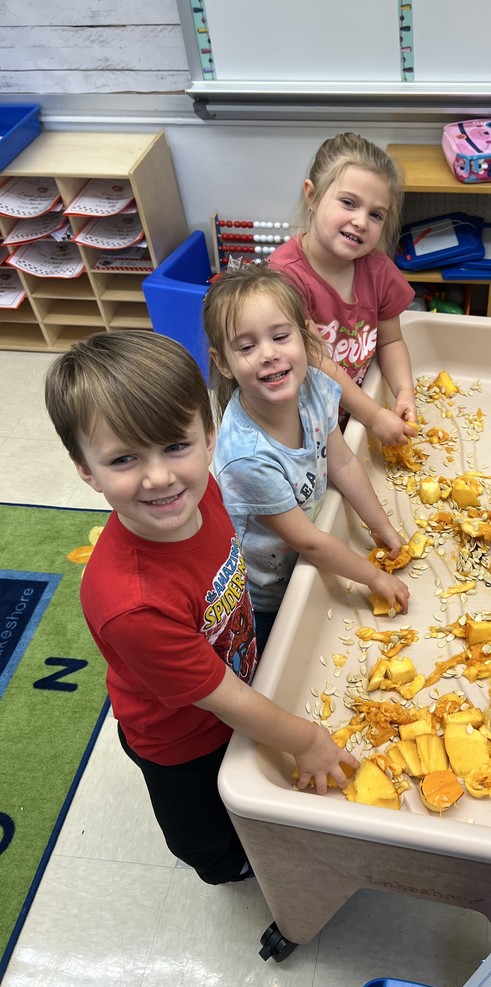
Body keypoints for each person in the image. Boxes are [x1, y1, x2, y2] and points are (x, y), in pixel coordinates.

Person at [44, 330, 358, 885]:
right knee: (201, 829)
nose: (159, 477)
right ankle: (225, 865)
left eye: (175, 446)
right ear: (86, 470)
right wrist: (308, 741)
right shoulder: (131, 604)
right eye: (123, 458)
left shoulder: (204, 492)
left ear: (210, 438)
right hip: (179, 738)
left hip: (234, 674)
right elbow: (224, 699)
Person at [203, 263, 410, 654]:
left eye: (281, 336)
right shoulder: (247, 458)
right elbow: (310, 542)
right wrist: (374, 578)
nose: (269, 354)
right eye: (247, 347)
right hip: (262, 593)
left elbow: (344, 463)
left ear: (304, 337)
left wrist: (381, 525)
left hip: (304, 559)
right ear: (223, 362)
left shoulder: (314, 388)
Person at [269, 131, 417, 444]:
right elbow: (318, 364)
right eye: (349, 203)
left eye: (375, 214)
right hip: (299, 425)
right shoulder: (285, 278)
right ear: (312, 195)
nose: (361, 221)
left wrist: (404, 391)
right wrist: (375, 415)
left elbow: (390, 342)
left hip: (352, 416)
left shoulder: (378, 270)